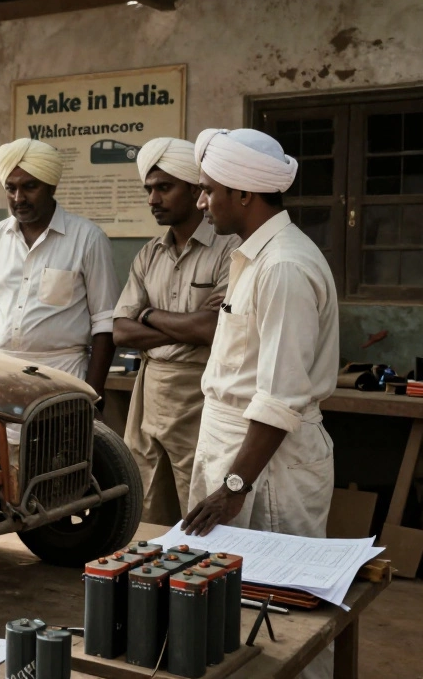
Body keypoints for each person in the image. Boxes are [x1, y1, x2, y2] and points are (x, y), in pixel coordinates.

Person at [181, 128, 339, 679]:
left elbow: (279, 397)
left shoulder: (284, 268)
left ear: (243, 195)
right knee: (235, 605)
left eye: (208, 190)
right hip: (238, 449)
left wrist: (233, 488)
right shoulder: (255, 256)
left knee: (285, 614)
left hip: (269, 465)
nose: (202, 201)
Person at [112, 138, 239, 525]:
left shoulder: (230, 249)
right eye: (149, 189)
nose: (153, 199)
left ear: (197, 190)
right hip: (150, 390)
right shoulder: (149, 254)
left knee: (197, 496)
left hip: (200, 391)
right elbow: (120, 332)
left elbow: (211, 329)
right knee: (146, 499)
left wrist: (147, 314)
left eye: (164, 188)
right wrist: (184, 326)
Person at [0, 138, 119, 401]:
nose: (19, 198)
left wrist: (94, 397)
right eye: (11, 188)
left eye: (29, 187)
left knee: (55, 443)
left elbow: (105, 325)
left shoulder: (88, 238)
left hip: (63, 377)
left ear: (51, 186)